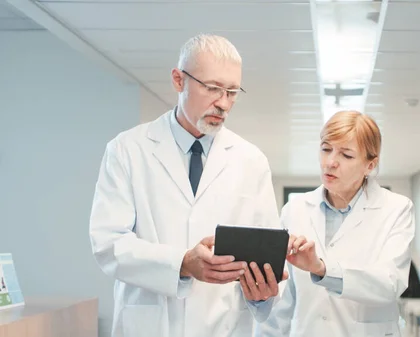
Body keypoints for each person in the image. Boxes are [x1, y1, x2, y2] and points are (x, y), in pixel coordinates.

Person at [89, 34, 285, 337]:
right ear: (178, 80)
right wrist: (181, 263)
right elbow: (108, 244)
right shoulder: (127, 150)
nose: (223, 103)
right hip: (150, 326)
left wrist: (262, 292)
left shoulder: (251, 161)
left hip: (223, 326)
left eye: (232, 92)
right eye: (212, 88)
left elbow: (264, 257)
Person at [254, 110, 416, 337]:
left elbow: (389, 284)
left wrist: (321, 269)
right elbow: (284, 298)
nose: (330, 163)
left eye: (346, 155)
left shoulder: (396, 209)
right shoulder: (295, 209)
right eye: (326, 149)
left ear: (370, 165)